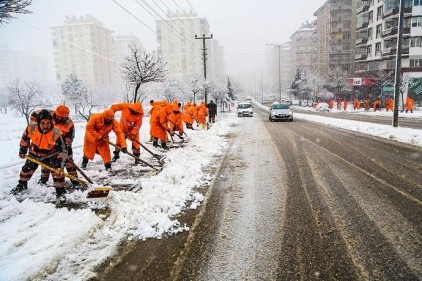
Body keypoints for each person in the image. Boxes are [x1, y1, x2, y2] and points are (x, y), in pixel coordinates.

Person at [11, 109, 68, 203]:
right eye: (42, 123)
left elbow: (62, 151)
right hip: (34, 153)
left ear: (51, 122)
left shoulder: (57, 132)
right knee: (26, 170)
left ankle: (60, 192)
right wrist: (22, 150)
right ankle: (22, 185)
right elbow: (25, 139)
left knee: (57, 173)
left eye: (48, 123)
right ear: (38, 122)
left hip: (50, 154)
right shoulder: (31, 128)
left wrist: (60, 166)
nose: (45, 126)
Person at [31, 105, 80, 188]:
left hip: (62, 145)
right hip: (48, 144)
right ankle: (44, 179)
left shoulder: (69, 123)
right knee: (46, 162)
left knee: (69, 162)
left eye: (65, 118)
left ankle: (75, 181)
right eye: (60, 117)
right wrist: (35, 125)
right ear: (56, 114)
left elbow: (70, 137)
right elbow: (34, 114)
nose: (62, 120)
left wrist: (63, 147)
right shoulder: (48, 115)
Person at [81, 109, 127, 174]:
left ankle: (108, 167)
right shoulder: (95, 118)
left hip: (103, 139)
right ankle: (84, 162)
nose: (110, 121)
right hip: (91, 137)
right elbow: (88, 127)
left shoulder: (113, 122)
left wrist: (123, 145)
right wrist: (98, 136)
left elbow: (119, 133)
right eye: (109, 119)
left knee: (106, 153)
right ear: (104, 118)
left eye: (112, 119)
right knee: (88, 152)